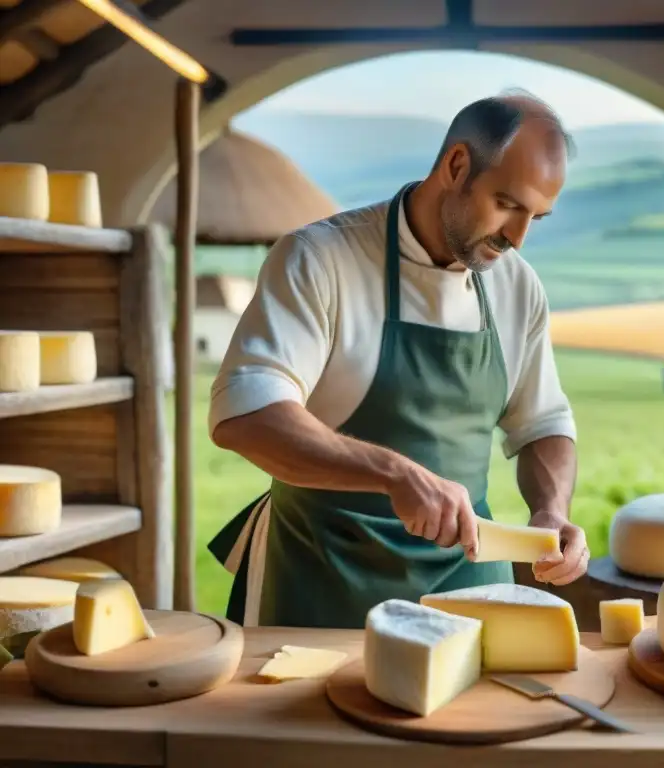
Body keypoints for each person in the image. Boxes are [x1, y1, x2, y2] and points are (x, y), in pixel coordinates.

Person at [207, 91, 589, 629]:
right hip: (325, 580)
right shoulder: (320, 259)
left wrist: (552, 511)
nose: (518, 237)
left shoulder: (517, 285)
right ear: (457, 165)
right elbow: (246, 416)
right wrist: (393, 473)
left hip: (468, 584)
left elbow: (542, 422)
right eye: (507, 203)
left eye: (536, 217)